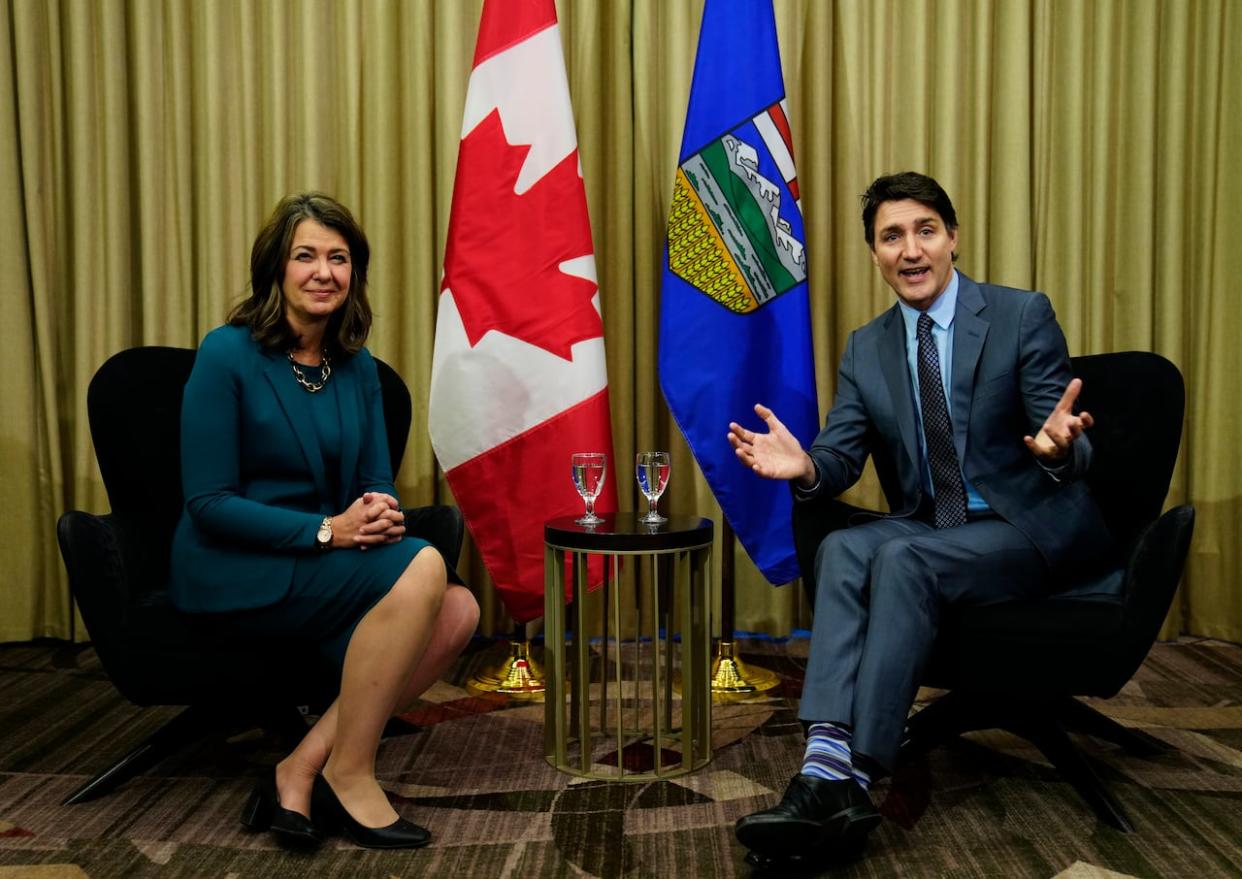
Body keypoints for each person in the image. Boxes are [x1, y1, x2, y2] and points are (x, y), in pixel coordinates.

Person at [727, 172, 1111, 864]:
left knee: (901, 558)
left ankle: (857, 775)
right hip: (935, 521)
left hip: (1021, 526)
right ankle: (822, 766)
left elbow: (1069, 442)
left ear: (952, 238)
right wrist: (807, 467)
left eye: (925, 230)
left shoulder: (1021, 315)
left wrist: (1061, 446)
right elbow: (840, 456)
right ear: (875, 253)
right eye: (891, 236)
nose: (910, 249)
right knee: (844, 548)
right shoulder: (866, 347)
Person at [169, 192, 480, 850]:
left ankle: (302, 765)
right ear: (276, 269)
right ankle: (351, 771)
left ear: (353, 274)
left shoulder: (356, 365)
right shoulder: (227, 354)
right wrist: (327, 531)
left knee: (458, 614)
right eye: (305, 255)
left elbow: (372, 479)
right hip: (234, 564)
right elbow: (208, 501)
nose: (323, 271)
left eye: (338, 258)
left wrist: (377, 510)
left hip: (322, 561)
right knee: (429, 565)